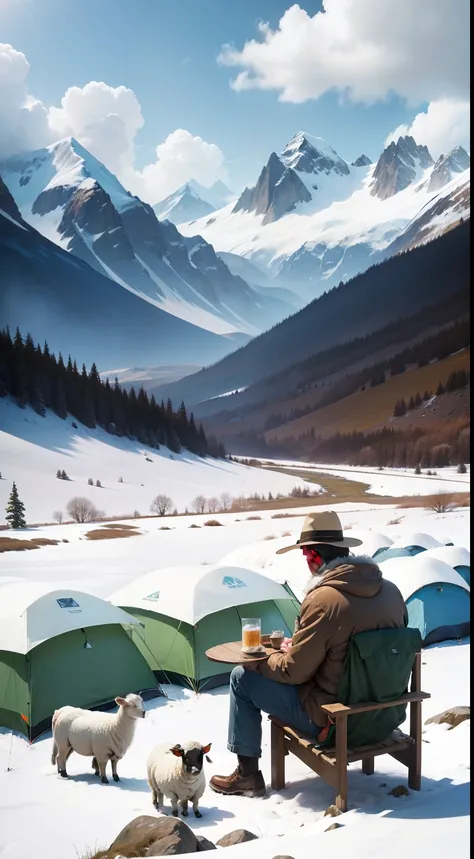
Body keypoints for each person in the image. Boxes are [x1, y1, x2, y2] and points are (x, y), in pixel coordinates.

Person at [210, 510, 407, 797]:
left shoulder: (324, 600)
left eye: (305, 556)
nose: (306, 563)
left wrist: (263, 661)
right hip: (386, 715)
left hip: (337, 723)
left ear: (315, 556)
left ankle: (247, 776)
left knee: (242, 677)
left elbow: (293, 671)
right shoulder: (392, 591)